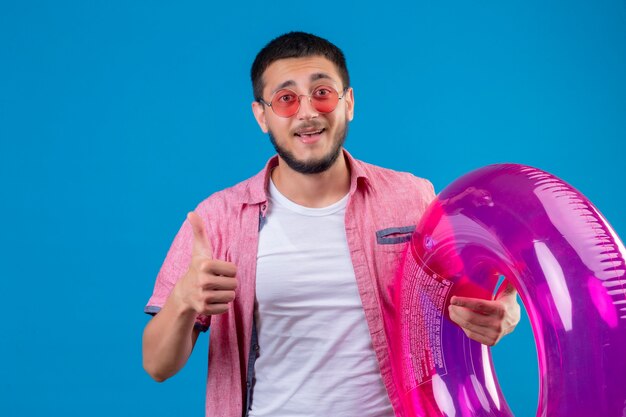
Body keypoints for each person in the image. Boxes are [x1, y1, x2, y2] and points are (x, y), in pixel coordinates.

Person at [142, 32, 521, 417]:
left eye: (322, 93)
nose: (307, 112)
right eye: (286, 100)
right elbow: (157, 365)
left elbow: (472, 293)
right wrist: (183, 301)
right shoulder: (218, 218)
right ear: (262, 116)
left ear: (349, 103)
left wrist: (506, 309)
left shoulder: (414, 197)